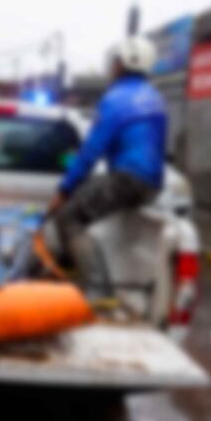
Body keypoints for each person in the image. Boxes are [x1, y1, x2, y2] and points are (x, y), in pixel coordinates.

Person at [48, 36, 167, 294]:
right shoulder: (155, 98)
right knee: (86, 203)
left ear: (123, 63)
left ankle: (98, 291)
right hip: (152, 183)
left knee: (69, 216)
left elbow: (90, 152)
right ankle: (68, 268)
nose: (111, 67)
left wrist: (64, 190)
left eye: (114, 62)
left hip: (127, 178)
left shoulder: (115, 99)